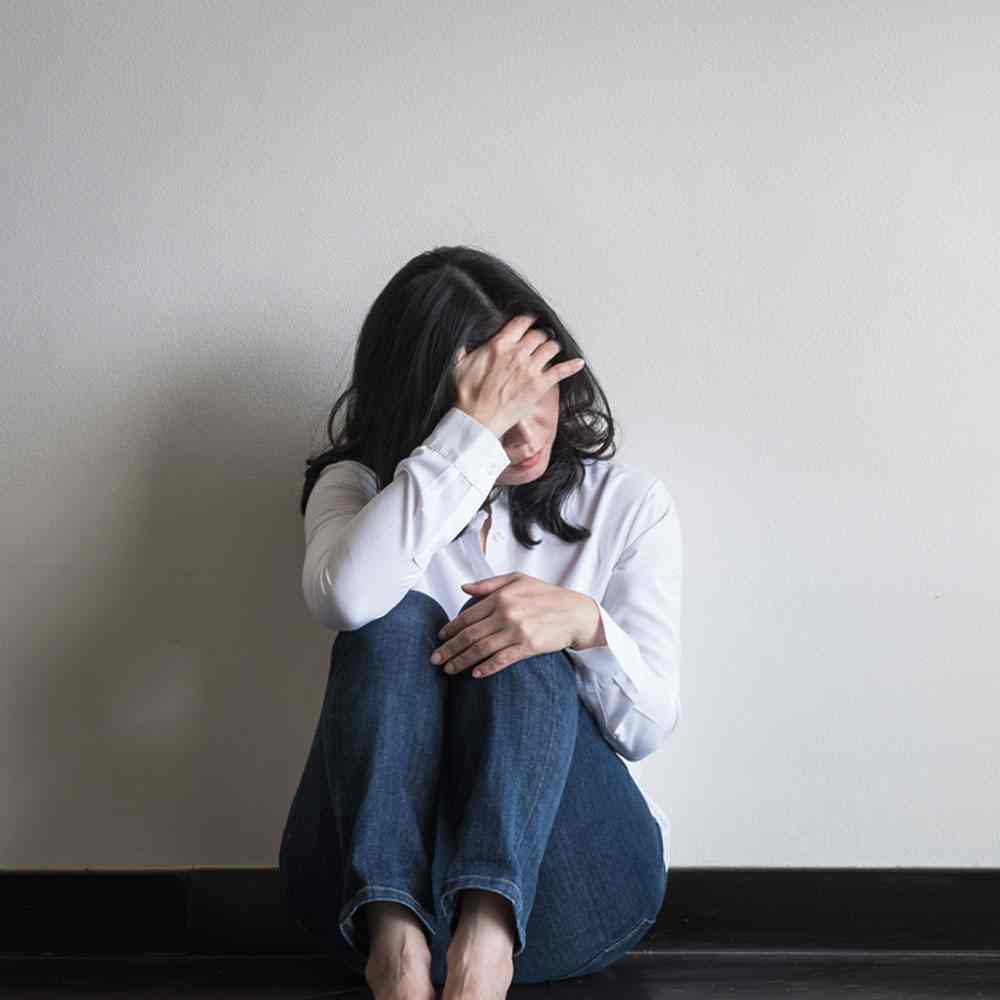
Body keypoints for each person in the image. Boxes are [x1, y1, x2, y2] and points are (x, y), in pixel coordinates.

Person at [278, 245, 682, 998]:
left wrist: (585, 626)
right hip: (358, 895)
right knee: (391, 614)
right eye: (498, 413)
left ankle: (484, 950)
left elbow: (646, 729)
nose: (528, 437)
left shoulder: (626, 505)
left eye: (538, 396)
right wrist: (465, 440)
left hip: (574, 887)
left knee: (522, 628)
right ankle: (397, 953)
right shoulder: (357, 489)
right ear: (434, 414)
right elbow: (344, 599)